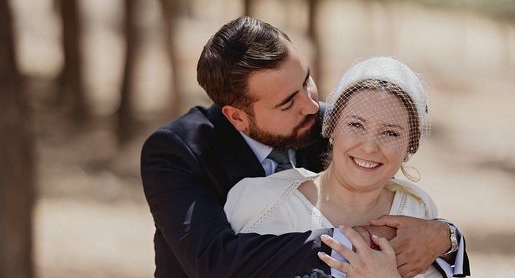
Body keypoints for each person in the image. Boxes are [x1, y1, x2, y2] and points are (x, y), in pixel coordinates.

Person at [141, 17, 470, 278]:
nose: (312, 106)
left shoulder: (336, 124)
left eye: (306, 81)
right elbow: (214, 262)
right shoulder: (177, 152)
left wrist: (445, 237)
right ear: (237, 117)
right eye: (287, 103)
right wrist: (361, 242)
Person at [224, 56, 463, 278]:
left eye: (390, 133)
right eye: (356, 125)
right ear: (332, 126)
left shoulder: (415, 213)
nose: (369, 147)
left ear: (410, 145)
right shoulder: (260, 203)